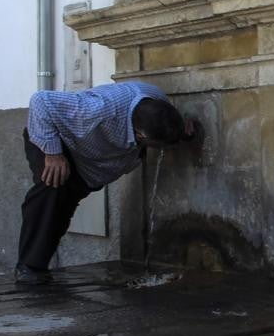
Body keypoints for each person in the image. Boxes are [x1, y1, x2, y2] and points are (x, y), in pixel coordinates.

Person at [15, 81, 193, 284]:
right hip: (58, 142)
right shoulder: (98, 110)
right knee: (52, 190)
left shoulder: (157, 103)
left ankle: (36, 264)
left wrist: (180, 132)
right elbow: (41, 101)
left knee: (62, 207)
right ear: (140, 135)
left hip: (91, 162)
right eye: (155, 146)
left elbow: (164, 125)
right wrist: (53, 153)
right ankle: (28, 268)